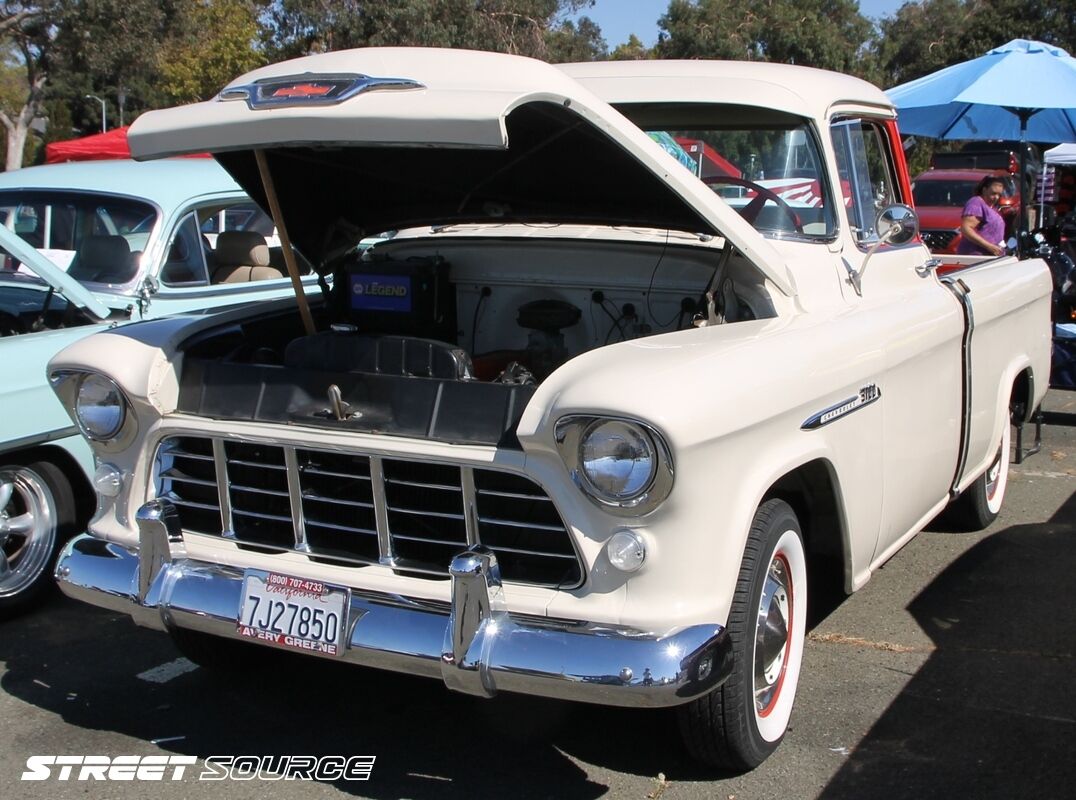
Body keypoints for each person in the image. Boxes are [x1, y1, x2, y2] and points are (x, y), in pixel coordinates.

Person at [956, 176, 1007, 256]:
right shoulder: (976, 203)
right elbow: (966, 229)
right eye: (993, 193)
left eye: (999, 194)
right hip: (976, 258)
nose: (996, 197)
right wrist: (989, 246)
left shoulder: (992, 207)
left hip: (991, 256)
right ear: (984, 190)